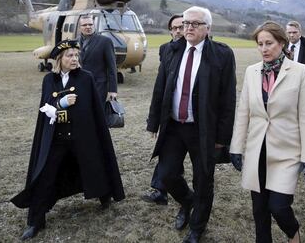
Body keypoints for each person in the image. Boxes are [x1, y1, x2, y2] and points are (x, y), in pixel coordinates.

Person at [11, 40, 125, 240]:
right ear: (59, 59)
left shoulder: (86, 78)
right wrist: (59, 103)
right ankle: (36, 221)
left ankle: (105, 195)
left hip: (83, 136)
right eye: (69, 56)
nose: (74, 59)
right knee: (45, 175)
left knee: (94, 167)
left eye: (75, 55)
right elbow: (45, 107)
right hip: (58, 138)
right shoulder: (49, 80)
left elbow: (94, 109)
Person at [146, 6, 236, 243]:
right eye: (186, 23)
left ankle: (197, 227)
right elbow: (160, 88)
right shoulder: (171, 50)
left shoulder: (222, 55)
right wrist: (154, 122)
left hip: (203, 130)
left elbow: (228, 99)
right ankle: (187, 201)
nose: (189, 28)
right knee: (166, 175)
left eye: (195, 24)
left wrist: (222, 138)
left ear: (208, 28)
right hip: (174, 127)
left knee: (203, 180)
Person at [230, 21, 305, 243]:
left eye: (269, 43)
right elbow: (243, 113)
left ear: (281, 43)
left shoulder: (300, 72)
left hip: (287, 153)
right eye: (260, 44)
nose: (264, 49)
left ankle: (293, 233)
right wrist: (236, 148)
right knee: (259, 212)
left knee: (278, 207)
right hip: (256, 151)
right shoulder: (252, 72)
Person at [142, 13, 185, 205]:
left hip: (190, 116)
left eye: (181, 27)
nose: (178, 31)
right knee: (166, 153)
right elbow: (161, 87)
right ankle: (160, 190)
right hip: (170, 113)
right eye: (174, 28)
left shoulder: (195, 51)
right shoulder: (165, 49)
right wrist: (154, 122)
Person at [78, 14, 118, 102]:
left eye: (90, 24)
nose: (88, 27)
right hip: (80, 85)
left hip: (99, 86)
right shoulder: (75, 42)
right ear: (80, 27)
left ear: (94, 25)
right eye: (84, 25)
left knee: (98, 114)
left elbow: (112, 67)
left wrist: (113, 90)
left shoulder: (105, 41)